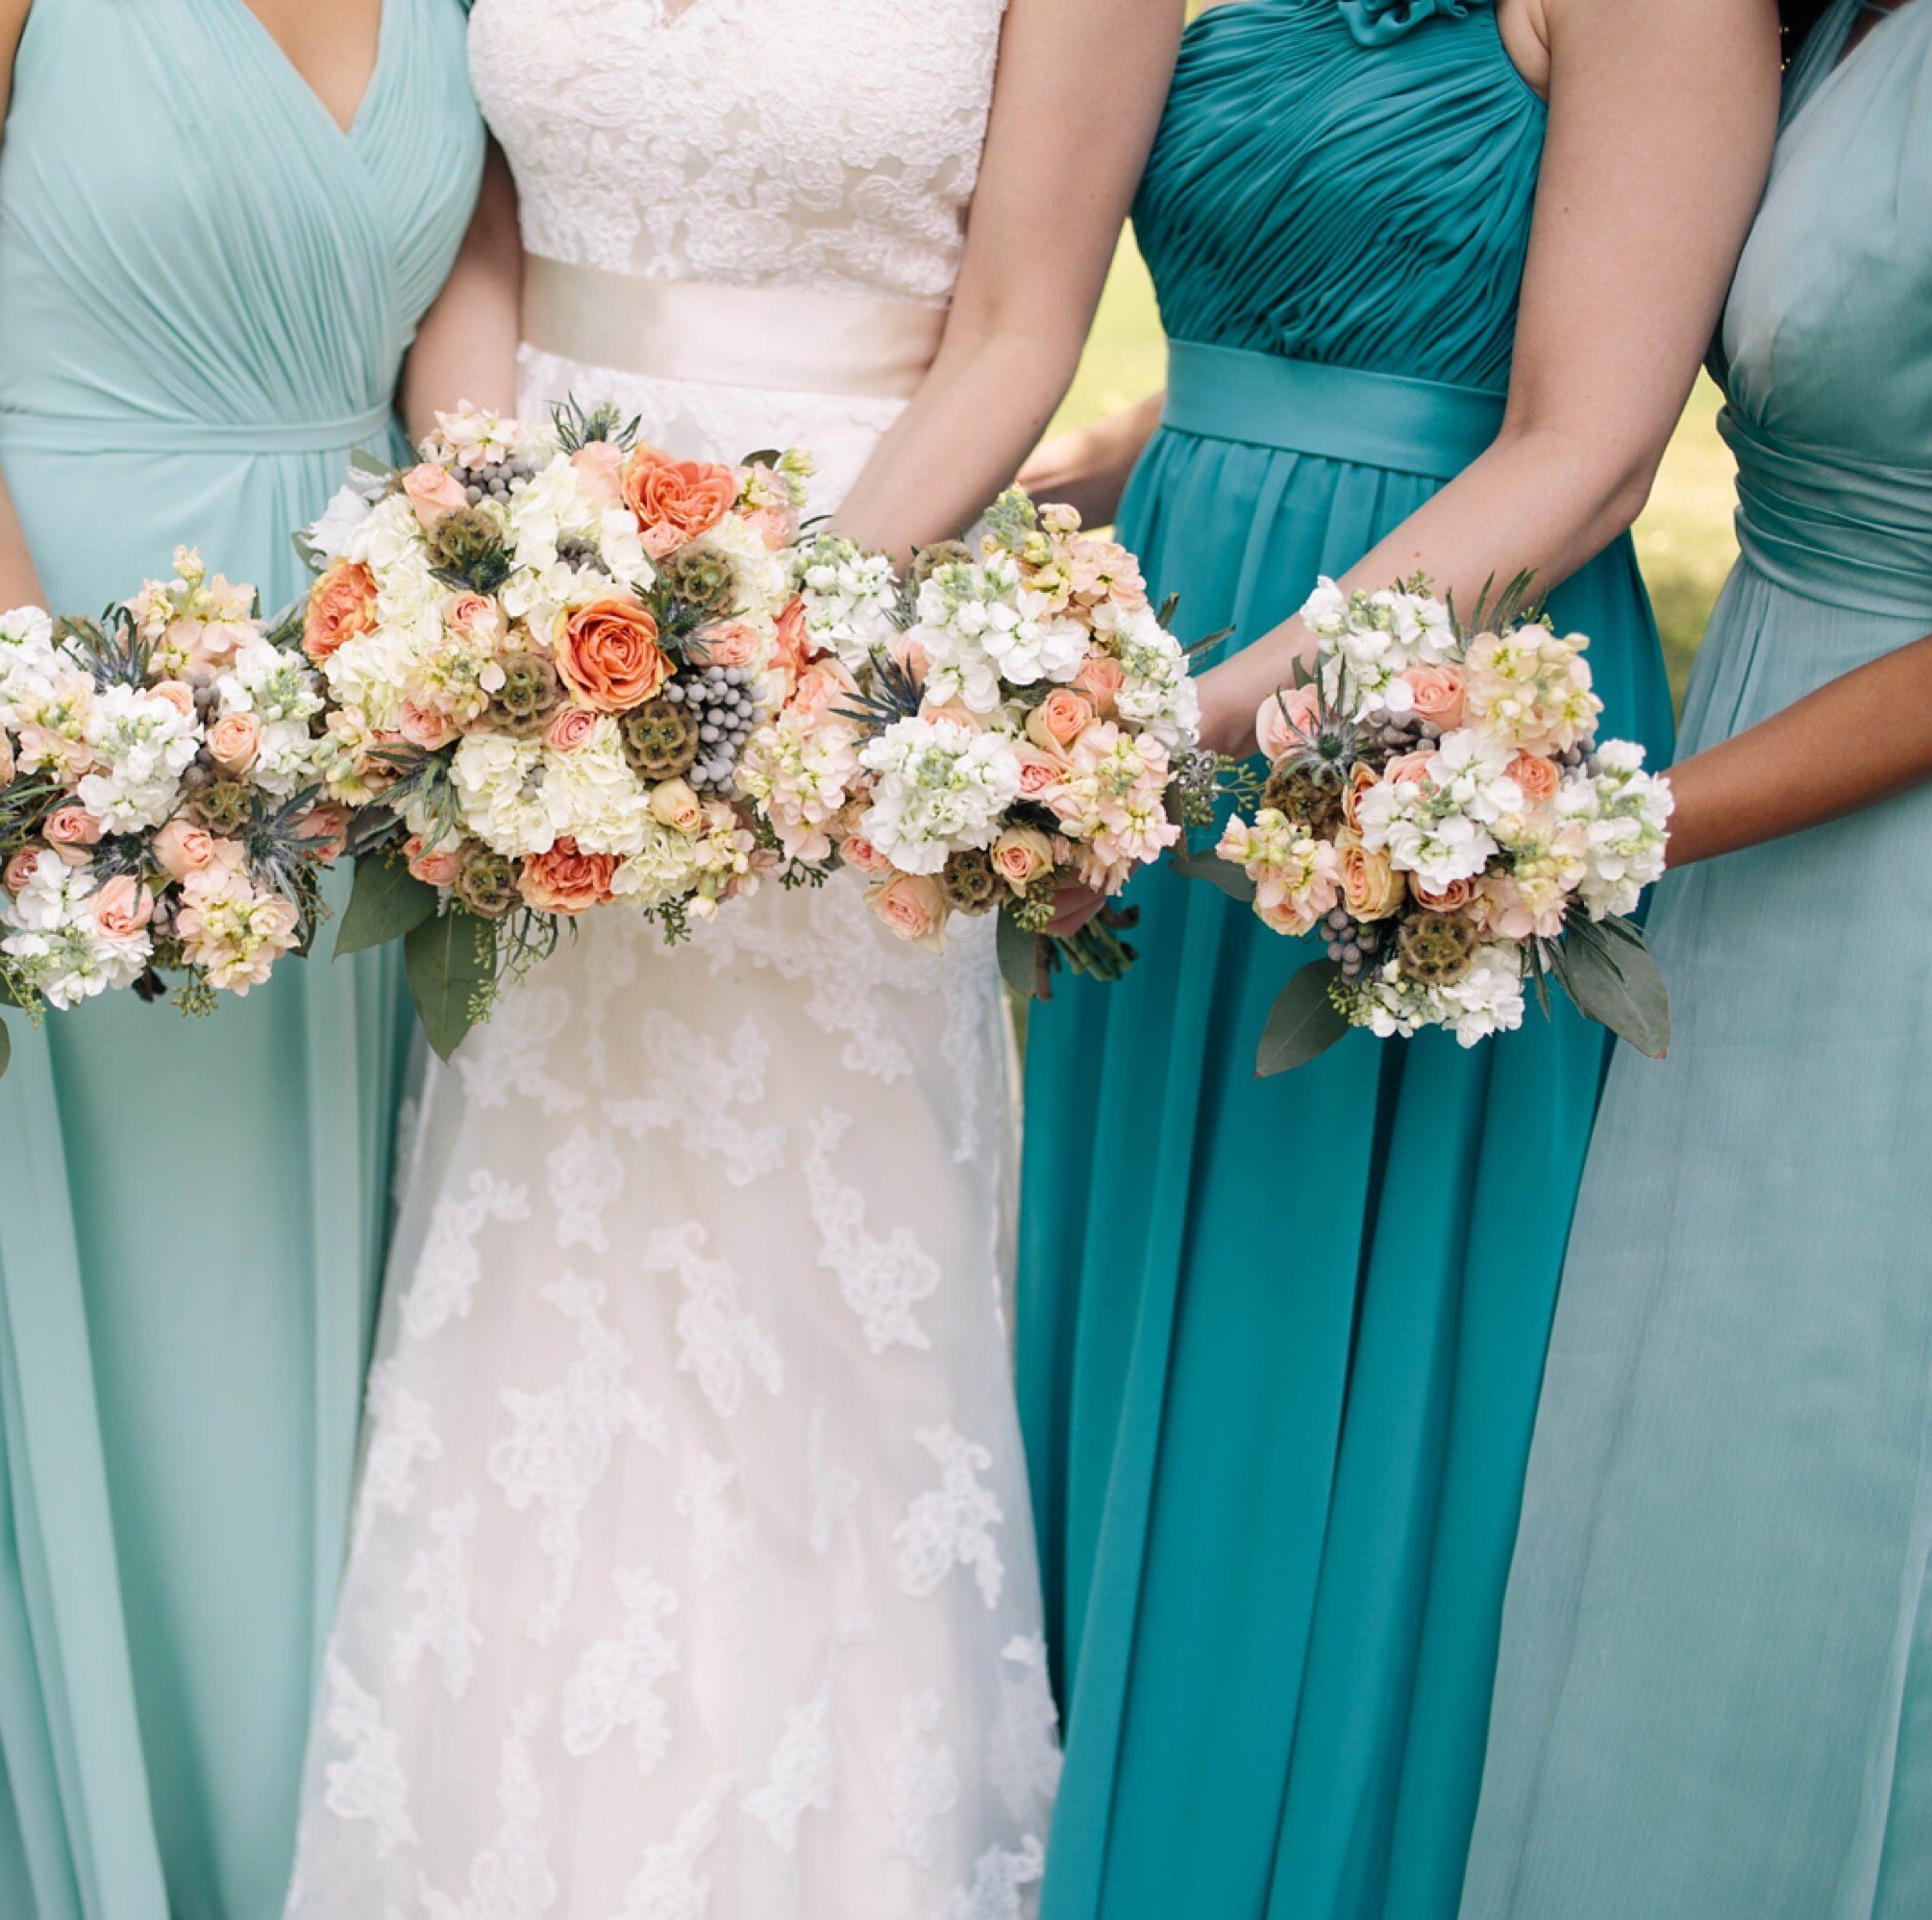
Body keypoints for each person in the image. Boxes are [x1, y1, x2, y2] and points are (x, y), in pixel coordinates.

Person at [281, 1, 1178, 1910]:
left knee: (815, 1280)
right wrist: (484, 550)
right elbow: (485, 229)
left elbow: (1023, 323)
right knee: (544, 1256)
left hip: (843, 614)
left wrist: (765, 629)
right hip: (536, 632)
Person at [1010, 1, 1774, 1915]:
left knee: (1310, 1328)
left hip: (1417, 710)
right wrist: (1015, 571)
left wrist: (1196, 733)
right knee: (1142, 1301)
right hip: (1177, 637)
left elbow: (1593, 454)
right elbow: (1231, 368)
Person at [0, 1, 483, 1910]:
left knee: (357, 1324)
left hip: (366, 725)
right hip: (79, 685)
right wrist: (88, 758)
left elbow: (448, 360)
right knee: (154, 1337)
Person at [1461, 2, 1932, 1912]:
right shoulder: (1853, 24)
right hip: (1754, 779)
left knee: (1845, 1485)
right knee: (1658, 1476)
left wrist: (1610, 826)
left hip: (1920, 879)